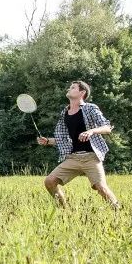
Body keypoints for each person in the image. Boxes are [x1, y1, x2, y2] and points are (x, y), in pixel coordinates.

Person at [37, 80, 119, 209]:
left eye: (73, 87)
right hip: (73, 158)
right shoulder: (65, 112)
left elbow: (107, 128)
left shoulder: (90, 108)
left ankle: (118, 210)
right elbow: (65, 139)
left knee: (102, 188)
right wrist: (48, 141)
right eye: (70, 87)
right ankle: (65, 211)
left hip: (91, 158)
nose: (69, 89)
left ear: (82, 92)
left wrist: (91, 131)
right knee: (50, 181)